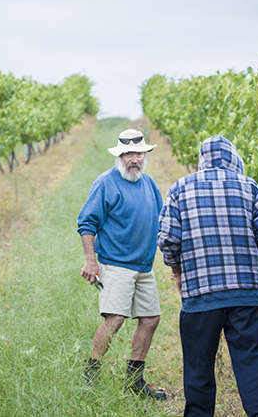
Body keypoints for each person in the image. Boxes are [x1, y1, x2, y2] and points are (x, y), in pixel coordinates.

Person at [157, 135, 258, 417]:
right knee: (254, 363)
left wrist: (177, 271)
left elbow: (168, 240)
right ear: (233, 159)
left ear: (202, 161)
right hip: (248, 295)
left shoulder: (180, 188)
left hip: (200, 295)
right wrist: (257, 262)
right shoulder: (251, 187)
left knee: (198, 368)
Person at [77, 128, 167, 400]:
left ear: (145, 155)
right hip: (115, 265)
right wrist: (90, 261)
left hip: (143, 267)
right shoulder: (106, 183)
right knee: (115, 319)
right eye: (128, 153)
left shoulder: (149, 184)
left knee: (151, 319)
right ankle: (90, 374)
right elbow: (87, 223)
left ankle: (134, 379)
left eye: (138, 153)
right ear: (119, 155)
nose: (133, 159)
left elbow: (161, 222)